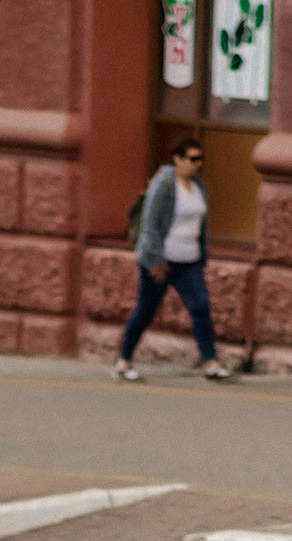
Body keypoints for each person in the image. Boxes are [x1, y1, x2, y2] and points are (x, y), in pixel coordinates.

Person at [116, 137, 230, 383]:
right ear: (177, 159)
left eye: (201, 159)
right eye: (192, 159)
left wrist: (202, 256)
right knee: (146, 310)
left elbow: (202, 226)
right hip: (162, 262)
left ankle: (210, 362)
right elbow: (151, 225)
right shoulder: (164, 184)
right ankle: (124, 360)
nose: (198, 164)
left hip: (189, 261)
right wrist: (155, 261)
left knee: (201, 307)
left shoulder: (199, 187)